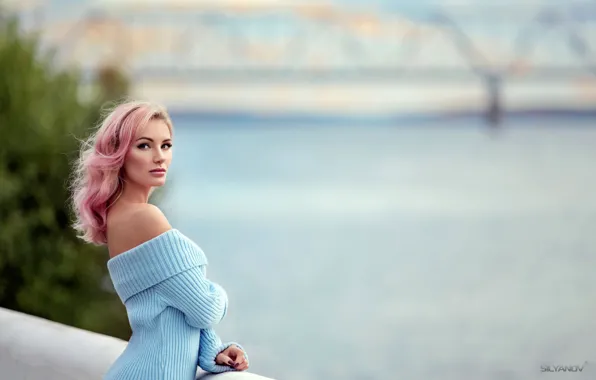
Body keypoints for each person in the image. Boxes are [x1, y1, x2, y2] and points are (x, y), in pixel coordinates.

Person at [69, 100, 249, 379]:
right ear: (119, 154)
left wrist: (212, 350)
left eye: (166, 145)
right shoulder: (145, 218)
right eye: (144, 145)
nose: (159, 156)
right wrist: (220, 293)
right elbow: (204, 309)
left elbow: (173, 306)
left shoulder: (119, 215)